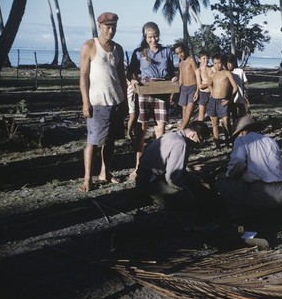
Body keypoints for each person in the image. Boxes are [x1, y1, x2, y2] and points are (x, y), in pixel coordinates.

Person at [79, 12, 127, 192]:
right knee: (93, 141)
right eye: (108, 27)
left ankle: (105, 173)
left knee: (111, 141)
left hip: (116, 101)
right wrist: (85, 102)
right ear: (100, 27)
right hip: (97, 103)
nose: (111, 30)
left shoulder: (118, 49)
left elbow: (121, 76)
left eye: (114, 27)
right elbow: (83, 77)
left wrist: (125, 102)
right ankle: (87, 179)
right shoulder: (89, 46)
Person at [126, 22, 177, 179]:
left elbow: (173, 71)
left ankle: (158, 167)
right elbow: (131, 72)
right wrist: (133, 80)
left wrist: (175, 78)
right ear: (145, 37)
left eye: (156, 36)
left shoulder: (167, 51)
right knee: (141, 131)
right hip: (144, 91)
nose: (153, 39)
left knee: (160, 131)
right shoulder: (138, 53)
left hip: (162, 91)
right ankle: (138, 167)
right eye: (150, 37)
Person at [214, 115, 282, 223]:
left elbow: (238, 161)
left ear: (242, 132)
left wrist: (227, 174)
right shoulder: (270, 141)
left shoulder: (242, 140)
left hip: (262, 192)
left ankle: (241, 218)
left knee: (222, 184)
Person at [135, 120, 214, 210]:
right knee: (187, 198)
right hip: (150, 182)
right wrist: (186, 189)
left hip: (144, 177)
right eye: (199, 140)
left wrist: (194, 179)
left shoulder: (171, 135)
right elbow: (172, 177)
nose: (198, 144)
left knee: (196, 185)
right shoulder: (181, 144)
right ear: (193, 135)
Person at [207, 53, 238, 148]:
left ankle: (230, 142)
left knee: (226, 122)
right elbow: (209, 84)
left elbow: (235, 88)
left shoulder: (227, 73)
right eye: (215, 63)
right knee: (214, 123)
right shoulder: (212, 74)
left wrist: (230, 100)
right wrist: (212, 93)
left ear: (223, 63)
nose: (217, 65)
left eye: (219, 63)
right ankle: (218, 145)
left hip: (223, 101)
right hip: (213, 101)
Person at [174, 42, 198, 130]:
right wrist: (173, 92)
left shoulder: (191, 60)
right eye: (177, 53)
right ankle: (185, 130)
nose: (180, 55)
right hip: (184, 89)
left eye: (181, 52)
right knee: (184, 111)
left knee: (188, 112)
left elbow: (197, 74)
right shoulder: (180, 64)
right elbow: (181, 79)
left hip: (193, 87)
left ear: (184, 51)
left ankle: (181, 130)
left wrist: (197, 90)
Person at [226, 53, 249, 123]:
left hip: (239, 98)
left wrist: (246, 98)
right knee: (231, 116)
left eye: (230, 63)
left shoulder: (239, 71)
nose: (228, 65)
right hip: (229, 99)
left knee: (241, 117)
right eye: (227, 63)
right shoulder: (224, 73)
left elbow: (245, 84)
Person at [195, 50, 214, 121]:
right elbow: (200, 85)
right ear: (199, 60)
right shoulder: (198, 70)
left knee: (213, 115)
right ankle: (200, 130)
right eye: (204, 58)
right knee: (201, 116)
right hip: (203, 94)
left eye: (207, 58)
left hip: (211, 93)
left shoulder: (211, 69)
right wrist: (209, 84)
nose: (206, 60)